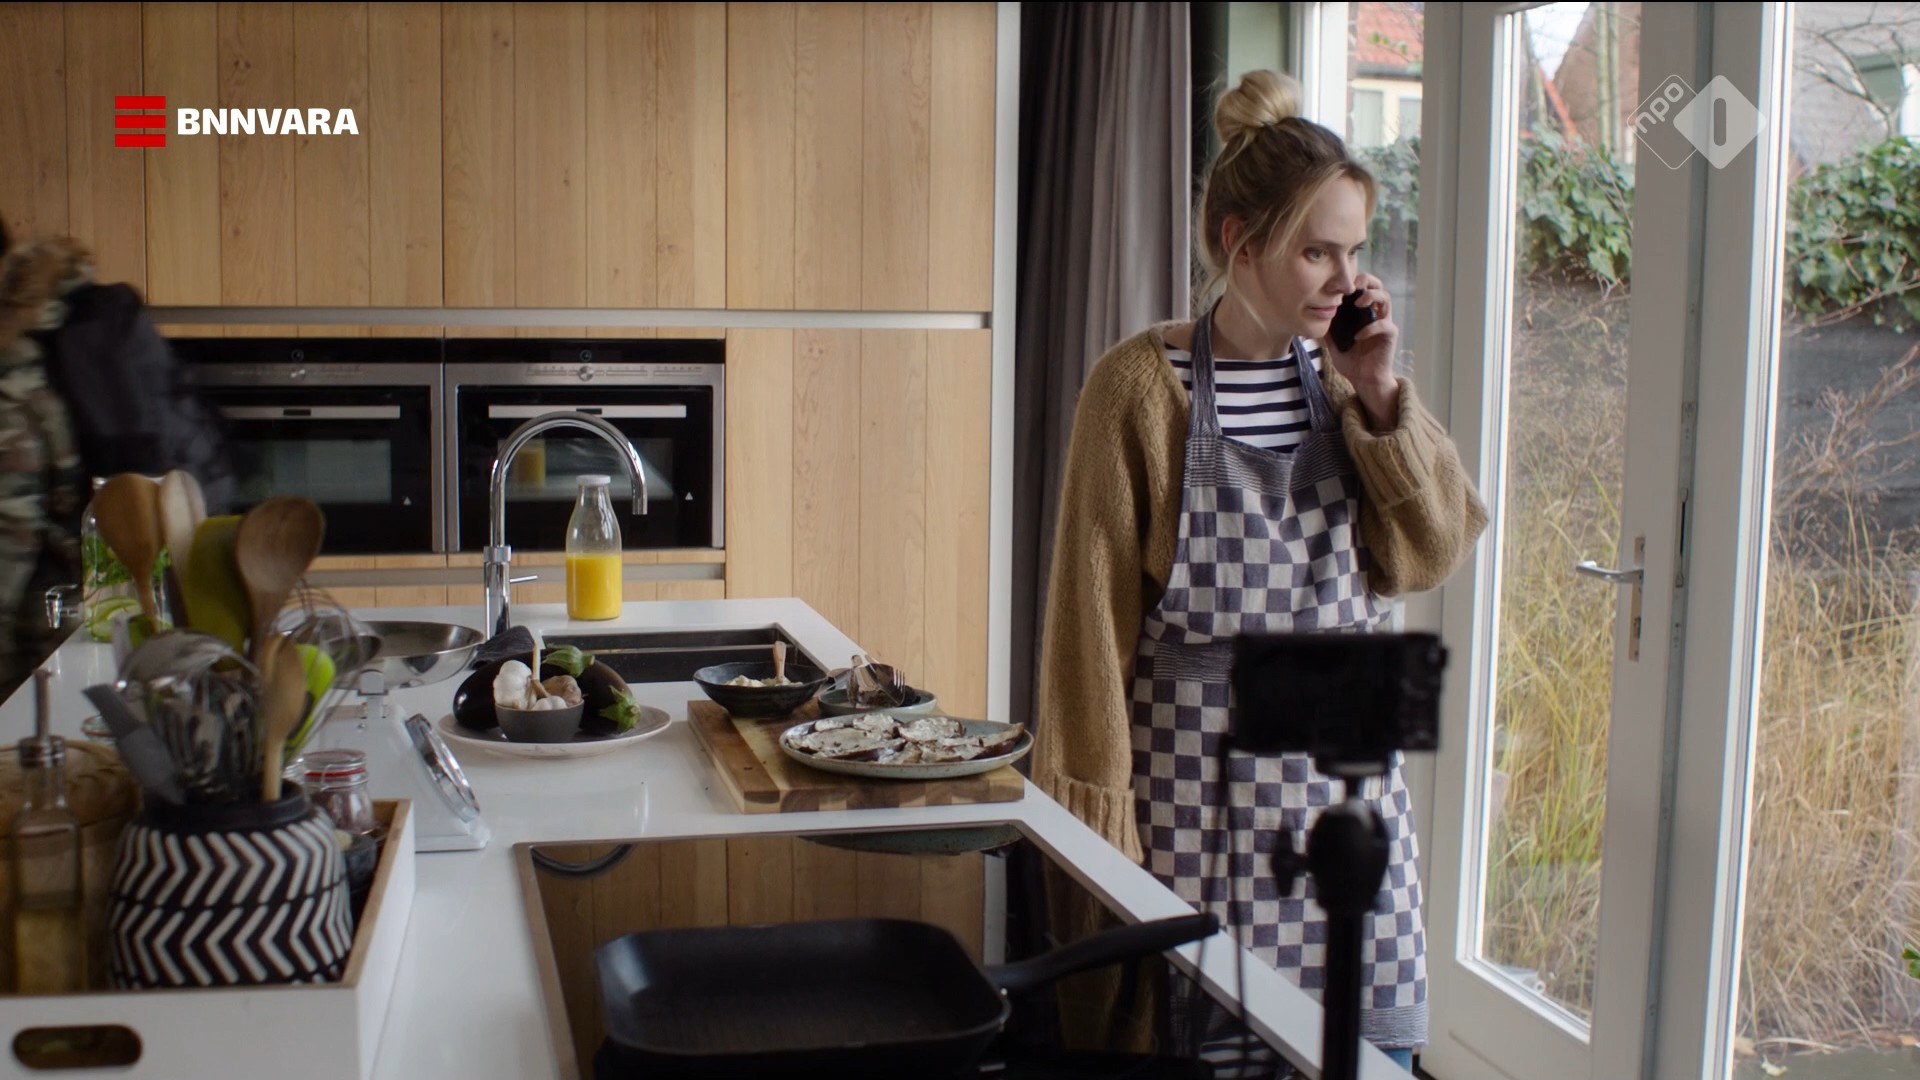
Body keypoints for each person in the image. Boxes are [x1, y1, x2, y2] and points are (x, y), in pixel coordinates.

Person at [1033, 71, 1489, 1073]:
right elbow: (1086, 633)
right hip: (1194, 790)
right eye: (1317, 251)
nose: (1344, 280)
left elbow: (1431, 552)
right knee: (1203, 1044)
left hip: (1346, 794)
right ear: (1241, 244)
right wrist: (1099, 832)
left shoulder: (1350, 382)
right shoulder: (1137, 388)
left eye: (1354, 252)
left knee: (1356, 1051)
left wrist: (1382, 396)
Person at [0, 220, 236, 696]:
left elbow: (7, 549)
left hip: (58, 663)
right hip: (136, 634)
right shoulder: (81, 323)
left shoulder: (14, 371)